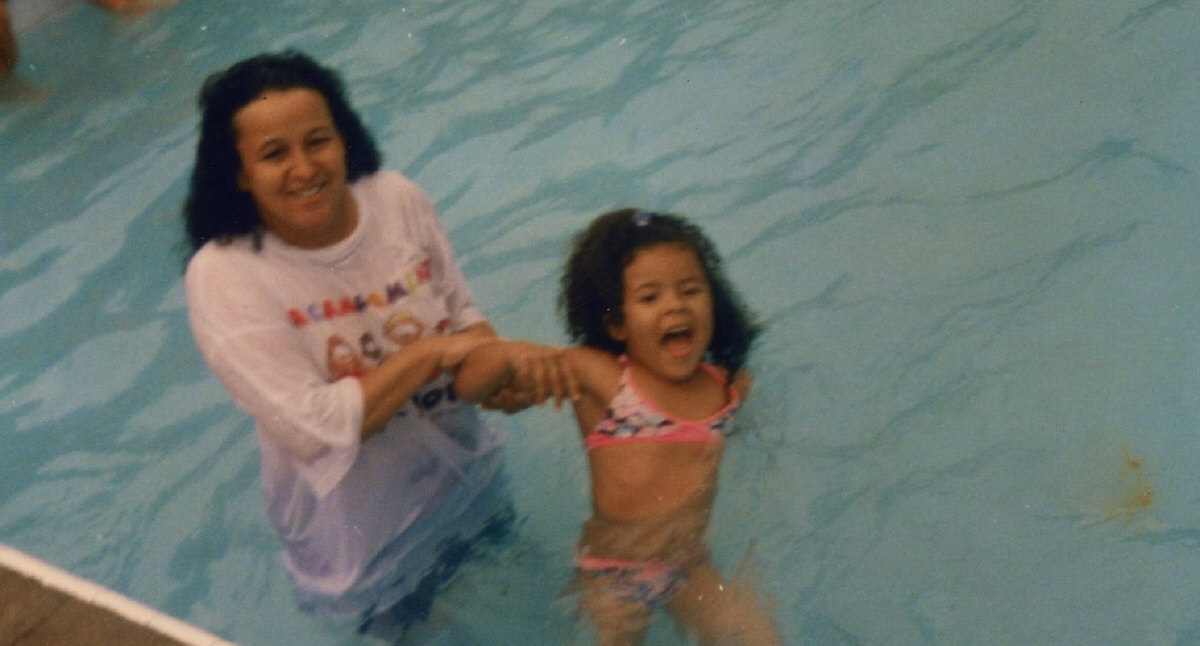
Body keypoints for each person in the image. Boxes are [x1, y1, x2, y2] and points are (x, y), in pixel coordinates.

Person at [182, 50, 555, 636]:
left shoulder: (396, 200)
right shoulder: (224, 274)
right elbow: (314, 428)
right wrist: (431, 355)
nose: (304, 168)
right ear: (239, 173)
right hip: (364, 552)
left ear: (343, 138)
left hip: (469, 480)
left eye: (317, 141)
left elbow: (463, 317)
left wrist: (502, 373)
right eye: (274, 154)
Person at [455, 209, 782, 645]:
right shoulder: (603, 378)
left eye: (690, 290)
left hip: (689, 565)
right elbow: (470, 384)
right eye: (650, 298)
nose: (675, 305)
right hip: (613, 574)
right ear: (616, 323)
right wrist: (516, 356)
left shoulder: (727, 388)